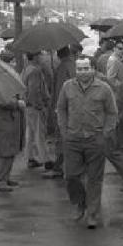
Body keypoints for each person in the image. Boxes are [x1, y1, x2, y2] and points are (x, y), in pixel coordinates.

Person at [57, 57, 119, 229]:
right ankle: (79, 203)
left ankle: (92, 213)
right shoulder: (67, 87)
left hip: (95, 138)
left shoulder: (104, 88)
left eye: (86, 68)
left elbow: (112, 113)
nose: (82, 72)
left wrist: (106, 133)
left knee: (94, 178)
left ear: (93, 69)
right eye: (79, 69)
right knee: (71, 176)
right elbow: (61, 109)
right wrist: (64, 130)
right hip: (73, 139)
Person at [43, 46, 76, 179]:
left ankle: (59, 167)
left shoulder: (62, 68)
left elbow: (59, 91)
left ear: (58, 54)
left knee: (61, 137)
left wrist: (55, 108)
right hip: (75, 107)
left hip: (63, 108)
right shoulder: (73, 65)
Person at [0, 95, 26, 192]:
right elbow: (2, 101)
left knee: (9, 153)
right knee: (4, 153)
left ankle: (5, 178)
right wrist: (17, 103)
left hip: (6, 125)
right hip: (2, 125)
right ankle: (0, 181)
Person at [22, 51, 52, 169]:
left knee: (30, 133)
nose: (41, 57)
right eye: (39, 54)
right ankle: (46, 159)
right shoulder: (35, 71)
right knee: (40, 133)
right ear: (35, 56)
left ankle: (30, 157)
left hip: (28, 106)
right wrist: (39, 105)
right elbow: (34, 90)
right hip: (35, 106)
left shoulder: (26, 69)